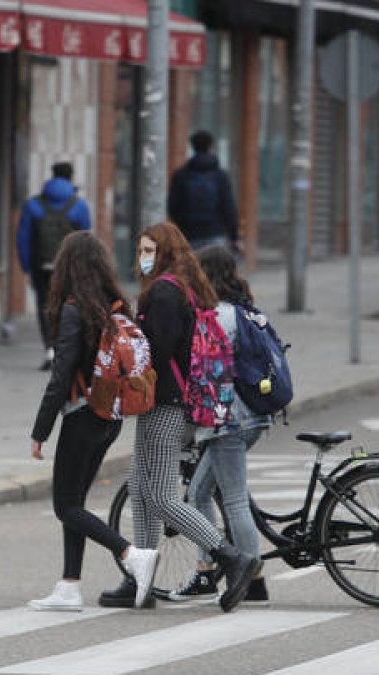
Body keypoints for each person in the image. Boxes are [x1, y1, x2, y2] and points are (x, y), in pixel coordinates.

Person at [97, 222, 260, 614]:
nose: (142, 257)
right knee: (139, 486)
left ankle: (230, 556)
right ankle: (141, 577)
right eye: (139, 249)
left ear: (166, 252)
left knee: (159, 495)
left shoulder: (165, 292)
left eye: (149, 249)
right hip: (171, 400)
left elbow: (154, 349)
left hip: (165, 401)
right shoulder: (183, 288)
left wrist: (127, 334)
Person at [27, 231, 159, 611]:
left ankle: (131, 554)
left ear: (66, 267)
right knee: (76, 503)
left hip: (82, 417)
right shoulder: (115, 306)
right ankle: (69, 586)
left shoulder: (74, 310)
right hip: (110, 417)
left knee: (66, 506)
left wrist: (40, 431)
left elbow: (60, 375)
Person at [168, 245, 271, 606]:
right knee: (198, 494)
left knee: (234, 499)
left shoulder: (217, 316)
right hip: (252, 416)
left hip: (229, 422)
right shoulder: (245, 309)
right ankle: (208, 570)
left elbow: (198, 365)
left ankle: (251, 578)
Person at [16, 162, 93, 370]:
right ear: (71, 177)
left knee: (44, 305)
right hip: (69, 267)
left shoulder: (33, 205)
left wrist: (26, 264)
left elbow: (23, 237)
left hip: (40, 265)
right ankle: (65, 350)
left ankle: (50, 349)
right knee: (68, 306)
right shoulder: (79, 205)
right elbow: (86, 238)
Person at [167, 131, 241, 254]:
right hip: (216, 234)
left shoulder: (181, 176)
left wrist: (182, 227)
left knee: (191, 271)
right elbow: (229, 208)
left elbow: (173, 207)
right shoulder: (220, 176)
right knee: (216, 270)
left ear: (193, 147)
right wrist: (234, 237)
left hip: (189, 235)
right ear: (210, 147)